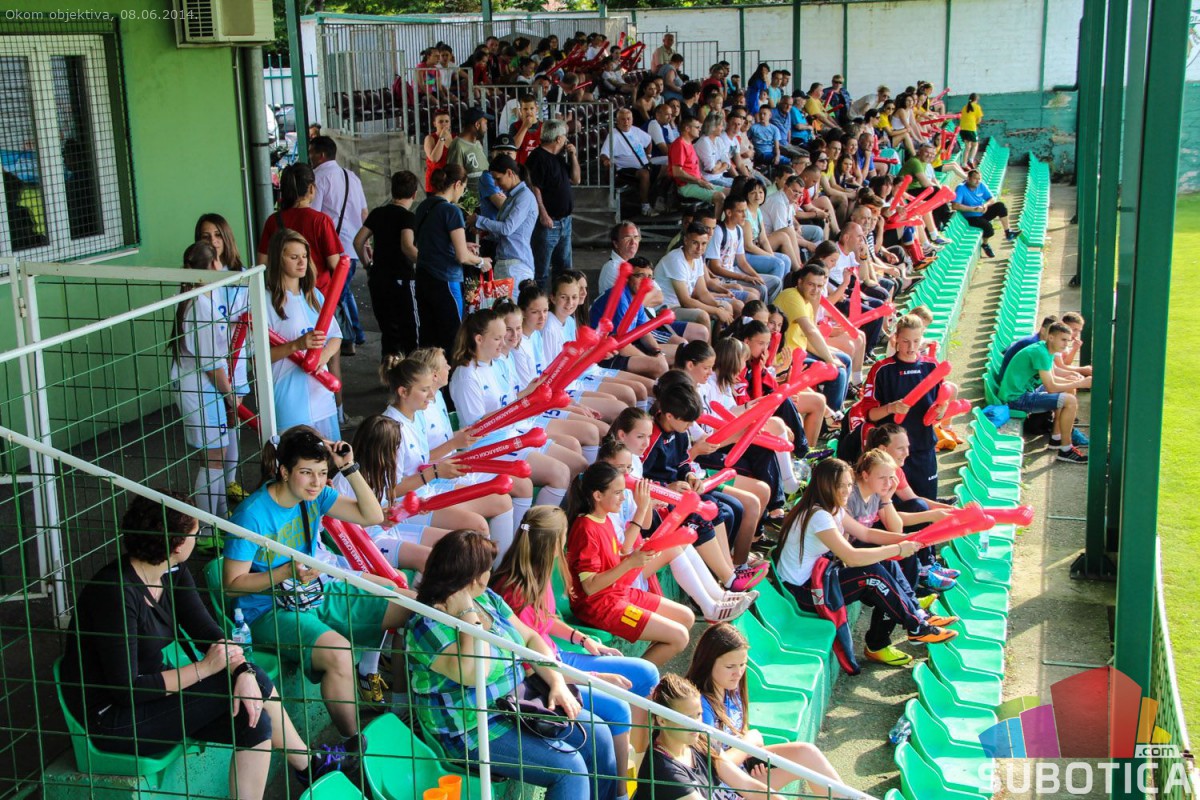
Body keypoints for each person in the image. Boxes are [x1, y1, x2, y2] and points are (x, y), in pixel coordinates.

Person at [61, 494, 357, 796]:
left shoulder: (171, 571)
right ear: (177, 544)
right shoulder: (114, 593)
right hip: (115, 718)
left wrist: (242, 670)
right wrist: (206, 669)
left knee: (253, 719)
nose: (198, 538)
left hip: (156, 697)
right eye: (196, 533)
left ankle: (310, 766)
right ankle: (310, 766)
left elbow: (206, 631)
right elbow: (128, 689)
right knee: (253, 686)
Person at [406, 529, 622, 800]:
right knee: (570, 768)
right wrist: (467, 614)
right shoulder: (426, 623)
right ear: (473, 577)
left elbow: (530, 638)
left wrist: (556, 682)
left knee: (599, 735)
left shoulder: (487, 598)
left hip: (517, 703)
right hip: (472, 728)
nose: (490, 574)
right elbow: (474, 672)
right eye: (487, 568)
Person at [224, 426, 411, 739]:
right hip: (268, 610)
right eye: (306, 473)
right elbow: (232, 584)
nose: (316, 482)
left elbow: (372, 515)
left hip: (313, 592)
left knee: (412, 606)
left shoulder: (317, 495)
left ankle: (401, 709)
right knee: (339, 652)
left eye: (322, 473)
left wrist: (348, 467)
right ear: (284, 472)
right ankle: (354, 745)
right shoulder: (252, 515)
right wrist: (284, 573)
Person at [492, 505, 661, 764]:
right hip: (544, 673)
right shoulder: (514, 593)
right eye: (564, 537)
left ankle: (638, 760)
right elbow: (532, 666)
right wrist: (595, 678)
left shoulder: (539, 572)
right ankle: (621, 783)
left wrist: (583, 639)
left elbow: (546, 618)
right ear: (554, 544)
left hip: (558, 656)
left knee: (646, 673)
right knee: (618, 709)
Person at [776, 459, 956, 675]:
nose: (846, 490)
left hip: (818, 579)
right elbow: (851, 557)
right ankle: (916, 626)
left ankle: (917, 615)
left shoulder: (832, 508)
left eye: (849, 484)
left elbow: (866, 533)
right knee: (873, 574)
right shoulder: (819, 516)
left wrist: (908, 538)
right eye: (840, 485)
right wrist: (899, 548)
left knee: (887, 564)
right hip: (803, 592)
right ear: (824, 485)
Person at [686, 624, 846, 792]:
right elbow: (713, 768)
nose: (738, 673)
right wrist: (749, 743)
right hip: (722, 786)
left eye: (742, 664)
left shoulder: (730, 688)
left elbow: (739, 732)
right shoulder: (700, 706)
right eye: (730, 666)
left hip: (742, 769)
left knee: (807, 754)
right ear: (708, 662)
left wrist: (754, 752)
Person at [565, 462, 697, 666]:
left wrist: (637, 555)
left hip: (618, 592)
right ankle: (633, 678)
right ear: (597, 495)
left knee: (686, 617)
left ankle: (638, 669)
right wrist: (630, 563)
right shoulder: (585, 528)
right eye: (618, 493)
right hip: (599, 606)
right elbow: (589, 587)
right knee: (679, 637)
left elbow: (615, 558)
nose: (623, 498)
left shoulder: (604, 519)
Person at [169, 241, 237, 546]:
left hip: (202, 388)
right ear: (211, 266)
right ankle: (206, 531)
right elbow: (211, 364)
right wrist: (230, 395)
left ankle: (219, 519)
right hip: (199, 389)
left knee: (215, 456)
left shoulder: (201, 295)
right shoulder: (200, 306)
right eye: (218, 261)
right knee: (212, 458)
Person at [264, 229, 343, 440]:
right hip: (289, 399)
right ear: (278, 259)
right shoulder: (265, 301)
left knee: (332, 455)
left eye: (305, 256)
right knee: (296, 456)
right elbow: (257, 358)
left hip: (322, 395)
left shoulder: (314, 295)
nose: (302, 262)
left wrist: (324, 355)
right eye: (294, 257)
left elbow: (335, 336)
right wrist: (296, 345)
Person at [414, 165, 492, 354]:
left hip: (423, 278)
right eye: (463, 187)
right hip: (446, 280)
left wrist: (461, 245)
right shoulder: (451, 211)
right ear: (457, 184)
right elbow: (462, 256)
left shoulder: (423, 206)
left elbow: (431, 241)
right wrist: (481, 262)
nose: (463, 192)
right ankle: (450, 372)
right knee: (453, 338)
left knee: (428, 337)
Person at [998, 320, 1091, 463]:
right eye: (1063, 340)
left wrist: (1070, 380)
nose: (1066, 344)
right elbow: (1051, 387)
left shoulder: (1046, 349)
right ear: (1051, 337)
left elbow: (1053, 378)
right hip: (1016, 399)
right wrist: (1081, 383)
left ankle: (1056, 438)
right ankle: (1066, 450)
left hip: (1026, 392)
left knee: (1069, 388)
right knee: (1070, 401)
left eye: (1068, 340)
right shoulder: (1040, 352)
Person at [310, 136, 368, 355]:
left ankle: (348, 337)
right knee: (343, 291)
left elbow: (314, 216)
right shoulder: (351, 177)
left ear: (321, 155)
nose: (310, 157)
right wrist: (366, 243)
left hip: (332, 248)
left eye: (311, 153)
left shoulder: (318, 178)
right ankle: (356, 333)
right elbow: (364, 213)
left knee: (335, 295)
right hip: (352, 247)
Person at [355, 170, 419, 360]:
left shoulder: (378, 213)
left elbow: (358, 241)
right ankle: (408, 370)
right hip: (401, 279)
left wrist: (367, 265)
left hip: (378, 278)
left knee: (388, 330)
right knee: (408, 329)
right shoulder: (407, 217)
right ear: (414, 194)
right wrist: (427, 263)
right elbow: (407, 246)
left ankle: (389, 369)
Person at [257, 164, 344, 298]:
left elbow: (262, 262)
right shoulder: (321, 221)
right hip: (317, 295)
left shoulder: (273, 220)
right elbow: (334, 264)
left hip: (284, 295)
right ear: (311, 188)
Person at [655, 222, 737, 332]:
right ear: (686, 240)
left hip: (679, 306)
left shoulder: (697, 259)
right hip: (666, 308)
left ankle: (718, 341)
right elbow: (685, 301)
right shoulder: (676, 260)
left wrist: (718, 306)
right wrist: (716, 310)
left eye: (704, 244)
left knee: (726, 307)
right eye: (695, 243)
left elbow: (702, 293)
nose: (699, 248)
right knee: (703, 316)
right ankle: (707, 344)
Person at [527, 120, 581, 288]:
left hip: (565, 221)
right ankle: (537, 301)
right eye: (565, 136)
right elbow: (534, 188)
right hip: (548, 223)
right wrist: (543, 214)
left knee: (564, 271)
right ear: (558, 139)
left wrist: (573, 156)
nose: (566, 140)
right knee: (541, 271)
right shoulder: (537, 157)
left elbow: (576, 179)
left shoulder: (558, 157)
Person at [473, 154, 538, 287]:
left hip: (516, 266)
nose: (496, 184)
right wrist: (484, 230)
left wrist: (479, 220)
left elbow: (507, 229)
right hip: (506, 263)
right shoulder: (511, 197)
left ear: (509, 173)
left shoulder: (525, 196)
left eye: (498, 179)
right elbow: (504, 234)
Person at [706, 197, 782, 302]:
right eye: (740, 211)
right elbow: (715, 268)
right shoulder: (719, 231)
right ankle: (761, 311)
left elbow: (742, 262)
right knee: (761, 288)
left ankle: (769, 308)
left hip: (734, 273)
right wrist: (744, 277)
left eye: (745, 211)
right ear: (728, 213)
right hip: (722, 278)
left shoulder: (738, 230)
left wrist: (756, 276)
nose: (745, 215)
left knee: (776, 282)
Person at [600, 107, 660, 218]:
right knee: (644, 174)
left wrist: (649, 155)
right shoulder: (613, 135)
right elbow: (604, 153)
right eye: (623, 119)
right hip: (625, 169)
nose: (626, 122)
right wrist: (606, 160)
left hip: (645, 164)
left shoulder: (635, 130)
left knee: (667, 169)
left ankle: (658, 200)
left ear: (632, 120)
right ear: (617, 121)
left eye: (628, 119)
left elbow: (649, 141)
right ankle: (645, 206)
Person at [953, 169, 1018, 258]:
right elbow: (955, 206)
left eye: (979, 179)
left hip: (981, 212)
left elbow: (992, 199)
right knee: (989, 229)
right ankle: (985, 244)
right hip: (970, 217)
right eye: (975, 179)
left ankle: (1008, 232)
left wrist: (985, 205)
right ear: (968, 178)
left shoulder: (981, 185)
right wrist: (973, 209)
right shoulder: (961, 188)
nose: (977, 181)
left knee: (1000, 206)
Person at [669, 116, 727, 217]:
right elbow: (677, 172)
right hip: (686, 186)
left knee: (731, 191)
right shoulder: (680, 145)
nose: (700, 129)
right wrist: (699, 181)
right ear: (687, 128)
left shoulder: (689, 144)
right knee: (720, 197)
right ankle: (716, 224)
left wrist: (703, 181)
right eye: (697, 127)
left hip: (697, 183)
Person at [446, 107, 491, 192]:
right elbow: (454, 180)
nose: (487, 128)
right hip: (471, 199)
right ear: (477, 125)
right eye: (485, 124)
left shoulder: (477, 144)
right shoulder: (458, 146)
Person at [422, 108, 452, 193]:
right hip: (435, 182)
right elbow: (434, 158)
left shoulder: (454, 137)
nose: (444, 124)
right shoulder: (430, 138)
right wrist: (442, 138)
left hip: (450, 180)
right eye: (441, 122)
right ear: (435, 124)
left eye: (446, 121)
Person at [958, 93, 983, 167]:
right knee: (975, 145)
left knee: (967, 146)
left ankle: (964, 164)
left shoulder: (964, 107)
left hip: (963, 129)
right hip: (971, 128)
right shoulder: (977, 107)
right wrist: (976, 124)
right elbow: (979, 119)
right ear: (976, 100)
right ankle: (971, 160)